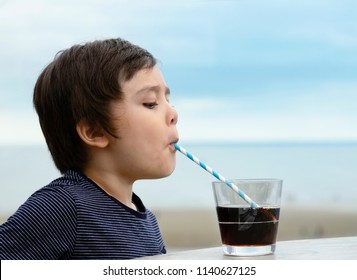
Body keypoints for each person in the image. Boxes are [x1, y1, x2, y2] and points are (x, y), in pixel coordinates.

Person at [0, 38, 179, 259]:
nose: (173, 113)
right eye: (151, 103)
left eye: (169, 100)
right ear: (95, 132)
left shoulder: (148, 221)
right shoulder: (62, 207)